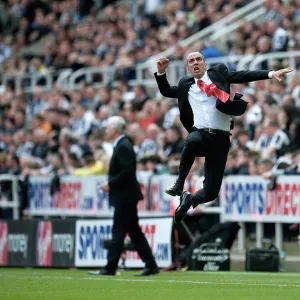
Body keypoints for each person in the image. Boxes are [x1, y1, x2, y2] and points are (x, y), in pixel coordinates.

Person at [154, 52, 293, 223]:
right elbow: (167, 91)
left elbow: (242, 75)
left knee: (211, 192)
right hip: (201, 133)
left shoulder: (218, 74)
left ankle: (189, 199)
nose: (195, 62)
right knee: (192, 139)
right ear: (188, 68)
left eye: (199, 60)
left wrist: (271, 74)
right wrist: (161, 73)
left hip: (221, 138)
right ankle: (179, 183)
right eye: (191, 61)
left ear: (205, 64)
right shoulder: (185, 84)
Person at [88, 116, 159, 276]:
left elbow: (127, 173)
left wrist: (110, 184)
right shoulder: (122, 145)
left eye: (107, 128)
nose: (106, 131)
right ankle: (150, 264)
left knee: (118, 231)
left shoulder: (123, 146)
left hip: (125, 196)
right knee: (134, 231)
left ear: (114, 130)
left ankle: (110, 267)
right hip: (126, 195)